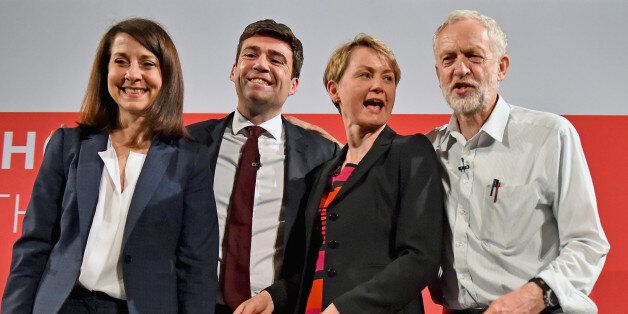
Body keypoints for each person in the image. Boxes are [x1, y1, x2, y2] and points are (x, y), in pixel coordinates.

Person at [1, 18, 218, 314]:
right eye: (121, 61)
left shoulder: (189, 160)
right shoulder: (67, 144)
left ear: (166, 76)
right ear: (105, 70)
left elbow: (197, 267)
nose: (133, 74)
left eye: (147, 63)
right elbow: (34, 245)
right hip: (63, 305)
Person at [238, 34, 443, 314]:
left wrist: (345, 309)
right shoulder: (322, 173)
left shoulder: (410, 153)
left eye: (388, 78)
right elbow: (312, 266)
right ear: (334, 89)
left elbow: (421, 259)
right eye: (365, 75)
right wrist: (272, 297)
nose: (378, 86)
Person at [427, 10, 610, 313]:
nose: (460, 69)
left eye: (473, 56)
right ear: (438, 74)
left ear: (501, 67)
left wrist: (531, 297)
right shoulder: (430, 150)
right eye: (448, 59)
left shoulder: (549, 136)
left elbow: (587, 244)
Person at [187, 19, 337, 314]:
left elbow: (324, 249)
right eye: (250, 54)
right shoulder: (188, 143)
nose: (261, 65)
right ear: (233, 71)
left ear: (293, 84)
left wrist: (279, 296)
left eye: (276, 60)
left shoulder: (322, 153)